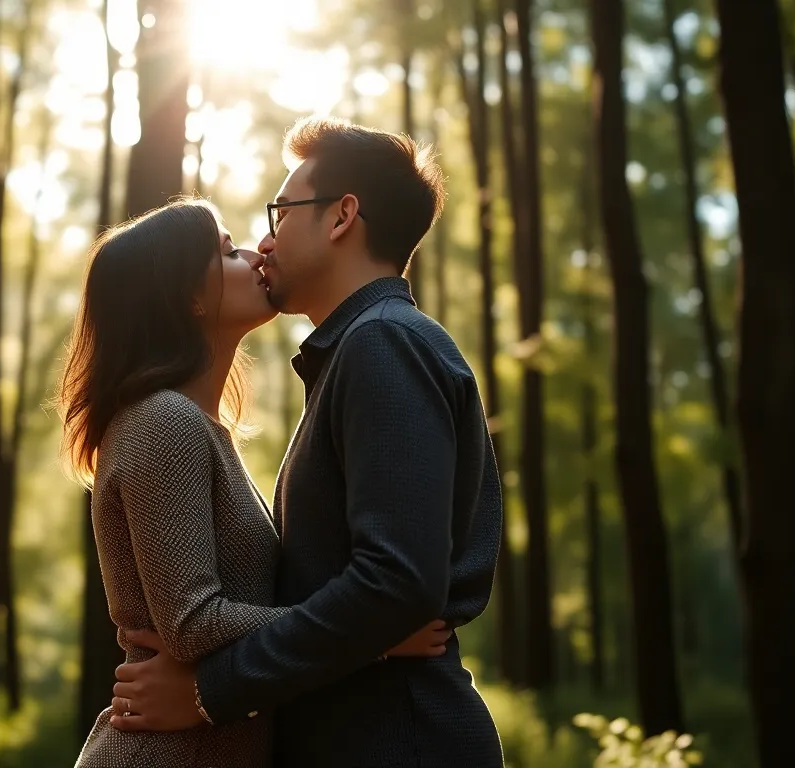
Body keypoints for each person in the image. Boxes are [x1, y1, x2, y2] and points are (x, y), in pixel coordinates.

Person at [108, 117, 506, 766]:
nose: (266, 240)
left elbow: (395, 584)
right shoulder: (360, 353)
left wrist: (212, 691)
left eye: (282, 211)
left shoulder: (383, 344)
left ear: (341, 217)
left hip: (395, 740)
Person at [56, 198, 452, 768]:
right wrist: (372, 637)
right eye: (225, 250)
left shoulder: (199, 427)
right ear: (189, 297)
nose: (254, 253)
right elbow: (194, 622)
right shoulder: (163, 422)